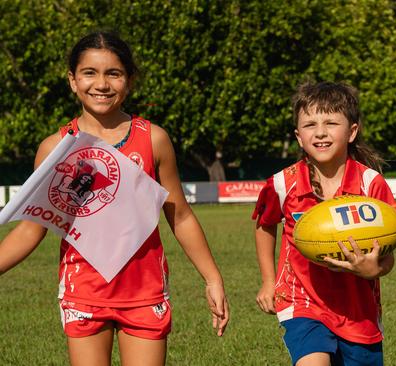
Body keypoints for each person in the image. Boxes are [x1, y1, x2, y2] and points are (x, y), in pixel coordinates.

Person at [0, 31, 229, 365]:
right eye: (89, 73)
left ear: (130, 80)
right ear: (72, 80)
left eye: (114, 73)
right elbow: (31, 230)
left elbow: (179, 216)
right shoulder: (55, 148)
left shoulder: (154, 139)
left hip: (144, 292)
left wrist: (213, 279)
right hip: (85, 293)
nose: (102, 84)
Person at [253, 81, 396, 366]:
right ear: (298, 136)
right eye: (309, 125)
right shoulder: (283, 184)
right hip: (302, 300)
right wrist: (269, 281)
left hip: (358, 311)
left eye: (331, 122)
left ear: (352, 131)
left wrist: (375, 268)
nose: (320, 132)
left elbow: (389, 251)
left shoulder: (371, 185)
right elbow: (264, 224)